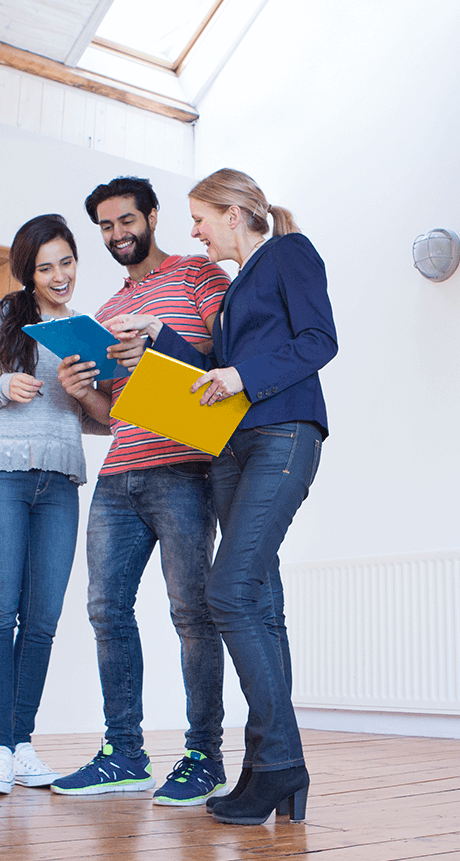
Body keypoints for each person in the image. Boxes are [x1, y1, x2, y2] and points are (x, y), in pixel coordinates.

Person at [110, 168, 338, 825]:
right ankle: (271, 767)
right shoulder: (237, 291)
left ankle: (278, 763)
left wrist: (240, 373)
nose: (193, 231)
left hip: (283, 435)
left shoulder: (291, 254)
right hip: (233, 448)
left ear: (233, 213)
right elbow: (215, 372)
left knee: (227, 591)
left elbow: (318, 340)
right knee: (257, 599)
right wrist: (161, 338)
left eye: (199, 218)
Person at [49, 177, 233, 806]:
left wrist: (158, 339)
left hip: (184, 468)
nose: (117, 235)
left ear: (152, 216)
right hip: (119, 474)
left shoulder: (197, 274)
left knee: (191, 613)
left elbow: (227, 355)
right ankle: (124, 754)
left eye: (126, 220)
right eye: (105, 227)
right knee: (106, 611)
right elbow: (112, 414)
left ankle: (204, 756)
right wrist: (81, 392)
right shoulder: (102, 315)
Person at [0, 214, 111, 795]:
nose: (59, 275)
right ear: (28, 272)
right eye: (45, 267)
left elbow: (104, 422)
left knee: (41, 621)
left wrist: (83, 393)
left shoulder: (88, 330)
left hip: (59, 482)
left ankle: (21, 744)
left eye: (66, 262)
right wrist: (3, 390)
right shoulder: (2, 316)